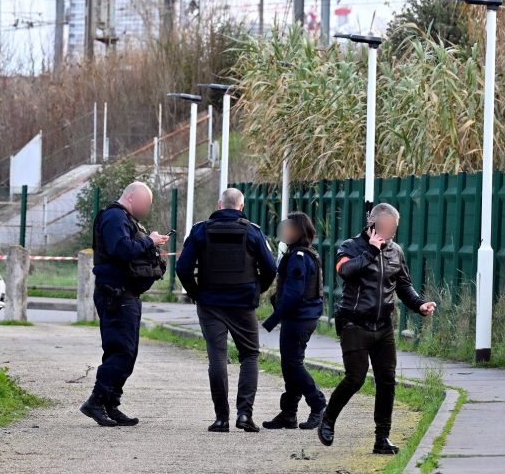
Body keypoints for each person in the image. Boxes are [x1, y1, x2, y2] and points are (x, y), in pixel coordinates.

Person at [318, 203, 437, 453]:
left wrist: (419, 305)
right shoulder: (350, 247)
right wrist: (371, 251)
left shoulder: (396, 251)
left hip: (383, 326)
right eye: (388, 226)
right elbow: (345, 271)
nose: (392, 231)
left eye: (395, 227)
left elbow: (403, 284)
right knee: (355, 378)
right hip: (354, 323)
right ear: (374, 224)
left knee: (387, 381)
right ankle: (327, 418)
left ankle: (382, 439)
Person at [176, 188, 277, 433]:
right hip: (243, 303)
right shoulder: (252, 231)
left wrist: (196, 293)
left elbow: (183, 267)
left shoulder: (201, 230)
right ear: (241, 207)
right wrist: (256, 290)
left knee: (217, 357)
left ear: (220, 204)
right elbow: (271, 268)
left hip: (210, 303)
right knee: (250, 356)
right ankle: (245, 415)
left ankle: (221, 418)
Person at [80, 181, 169, 428]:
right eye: (146, 203)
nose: (147, 209)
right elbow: (121, 250)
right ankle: (96, 401)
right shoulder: (114, 217)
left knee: (128, 352)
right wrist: (149, 241)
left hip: (127, 294)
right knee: (120, 350)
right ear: (132, 197)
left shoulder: (125, 219)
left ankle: (111, 403)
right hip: (115, 294)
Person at [260, 212, 327, 430]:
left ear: (299, 231)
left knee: (293, 364)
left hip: (299, 318)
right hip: (300, 317)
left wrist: (273, 318)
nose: (285, 232)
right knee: (289, 365)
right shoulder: (302, 254)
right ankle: (289, 413)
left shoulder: (299, 257)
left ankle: (318, 404)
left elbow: (294, 293)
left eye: (289, 228)